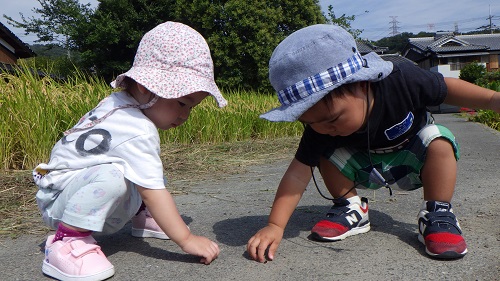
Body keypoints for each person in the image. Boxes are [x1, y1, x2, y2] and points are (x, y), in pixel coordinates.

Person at [247, 24, 500, 263]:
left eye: (333, 119)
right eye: (312, 123)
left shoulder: (402, 80)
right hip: (364, 169)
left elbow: (445, 88)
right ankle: (350, 207)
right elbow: (297, 175)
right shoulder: (321, 129)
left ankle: (438, 212)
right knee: (322, 151)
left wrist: (492, 100)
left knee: (439, 138)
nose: (325, 129)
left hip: (413, 162)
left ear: (363, 83)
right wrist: (275, 225)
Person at [33, 22, 227, 280]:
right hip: (62, 203)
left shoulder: (116, 103)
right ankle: (67, 239)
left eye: (191, 108)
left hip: (61, 189)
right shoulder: (138, 128)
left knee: (142, 167)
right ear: (147, 86)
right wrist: (187, 239)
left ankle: (140, 214)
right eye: (182, 103)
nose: (184, 115)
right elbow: (153, 191)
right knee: (119, 176)